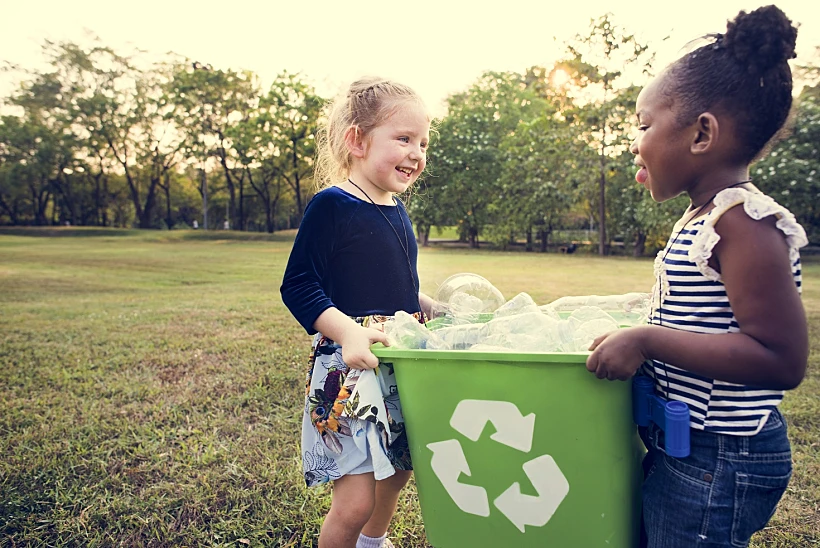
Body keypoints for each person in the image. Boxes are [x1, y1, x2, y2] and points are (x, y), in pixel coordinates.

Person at [584, 6, 809, 548]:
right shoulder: (705, 217)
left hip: (720, 458)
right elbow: (704, 315)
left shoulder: (744, 222)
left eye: (642, 125)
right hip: (684, 448)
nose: (635, 142)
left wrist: (646, 339)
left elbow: (782, 358)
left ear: (702, 133)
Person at [280, 77, 438, 548]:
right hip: (348, 371)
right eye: (404, 139)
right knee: (354, 501)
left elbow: (397, 288)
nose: (416, 153)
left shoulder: (396, 209)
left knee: (398, 471)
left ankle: (372, 543)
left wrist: (429, 307)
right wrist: (348, 332)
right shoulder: (333, 205)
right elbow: (299, 285)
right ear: (356, 140)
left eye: (423, 143)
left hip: (395, 362)